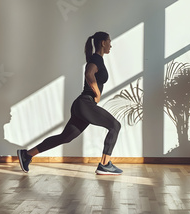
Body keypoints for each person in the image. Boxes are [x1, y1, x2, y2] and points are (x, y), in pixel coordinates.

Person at [17, 31, 123, 175]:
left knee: (65, 137)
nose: (111, 44)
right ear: (103, 42)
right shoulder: (96, 59)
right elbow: (89, 74)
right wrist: (97, 93)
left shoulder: (97, 59)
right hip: (85, 104)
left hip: (82, 105)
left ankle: (27, 155)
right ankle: (104, 164)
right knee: (115, 125)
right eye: (109, 41)